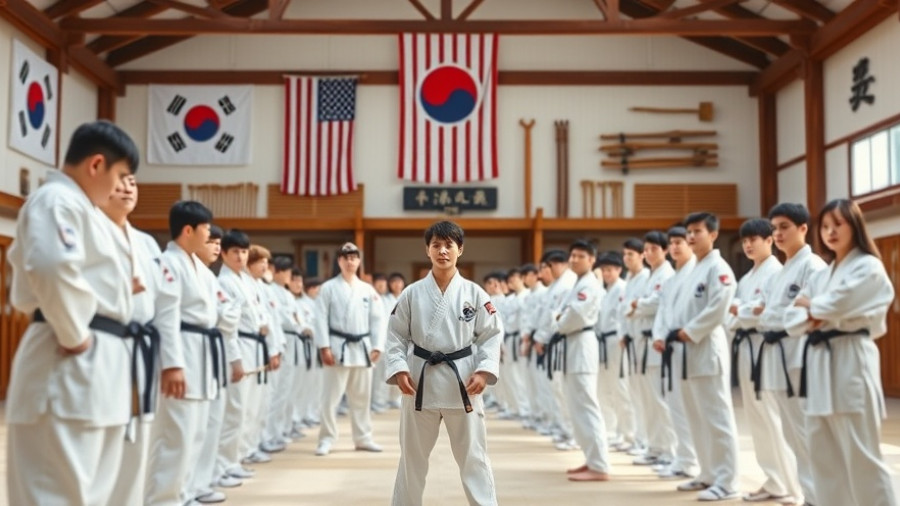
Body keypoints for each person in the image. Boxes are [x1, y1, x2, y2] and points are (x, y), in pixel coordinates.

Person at [7, 121, 140, 505]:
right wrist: (73, 334)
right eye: (120, 176)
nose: (120, 188)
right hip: (68, 356)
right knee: (55, 492)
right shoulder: (56, 200)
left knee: (90, 494)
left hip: (100, 362)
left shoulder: (85, 210)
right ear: (96, 164)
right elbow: (50, 266)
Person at [787, 199, 897, 506]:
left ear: (855, 226)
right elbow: (790, 318)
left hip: (851, 356)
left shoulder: (869, 267)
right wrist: (816, 311)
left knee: (861, 455)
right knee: (824, 455)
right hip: (820, 362)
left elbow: (838, 302)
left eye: (838, 224)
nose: (831, 231)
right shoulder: (823, 275)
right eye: (825, 226)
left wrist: (815, 308)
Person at [385, 220, 502, 506]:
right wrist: (398, 368)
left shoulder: (475, 294)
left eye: (449, 245)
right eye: (436, 245)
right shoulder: (411, 293)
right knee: (412, 458)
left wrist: (484, 371)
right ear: (427, 250)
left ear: (459, 249)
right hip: (419, 383)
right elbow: (395, 335)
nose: (442, 251)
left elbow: (492, 334)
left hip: (463, 382)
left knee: (474, 457)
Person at [102, 173, 177, 506]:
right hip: (101, 344)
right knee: (103, 441)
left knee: (139, 440)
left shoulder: (146, 243)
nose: (127, 188)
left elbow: (165, 303)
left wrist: (172, 362)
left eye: (133, 182)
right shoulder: (88, 228)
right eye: (119, 181)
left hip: (142, 349)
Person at [145, 201, 221, 506]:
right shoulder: (168, 262)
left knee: (196, 434)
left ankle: (185, 493)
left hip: (202, 354)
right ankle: (162, 500)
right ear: (188, 230)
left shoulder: (197, 267)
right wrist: (172, 365)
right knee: (175, 436)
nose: (209, 235)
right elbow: (166, 315)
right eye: (205, 229)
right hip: (183, 352)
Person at [756, 203, 826, 505]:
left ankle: (820, 497)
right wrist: (775, 317)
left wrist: (776, 318)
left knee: (808, 432)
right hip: (778, 355)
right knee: (792, 433)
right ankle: (806, 493)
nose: (778, 233)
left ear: (803, 228)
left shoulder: (814, 266)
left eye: (784, 226)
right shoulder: (781, 272)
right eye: (775, 228)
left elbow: (808, 312)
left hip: (800, 355)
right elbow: (764, 317)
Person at [670, 212, 741, 501]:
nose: (690, 236)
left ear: (712, 235)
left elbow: (719, 306)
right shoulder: (692, 269)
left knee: (717, 417)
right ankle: (708, 473)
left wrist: (691, 330)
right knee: (696, 417)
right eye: (689, 231)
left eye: (697, 231)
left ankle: (729, 480)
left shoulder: (719, 268)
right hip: (686, 350)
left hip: (707, 347)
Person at [726, 218, 795, 503]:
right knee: (756, 419)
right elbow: (735, 313)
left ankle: (793, 485)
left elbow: (763, 311)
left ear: (770, 241)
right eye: (745, 240)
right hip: (746, 346)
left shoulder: (777, 272)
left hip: (767, 345)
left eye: (755, 239)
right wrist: (746, 310)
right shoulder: (746, 278)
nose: (748, 245)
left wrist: (744, 311)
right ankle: (774, 479)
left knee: (773, 417)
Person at [535, 240, 610, 482]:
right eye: (573, 255)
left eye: (581, 256)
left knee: (586, 406)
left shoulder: (589, 284)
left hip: (581, 345)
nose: (575, 259)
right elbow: (563, 315)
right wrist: (560, 318)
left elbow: (573, 315)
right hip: (571, 346)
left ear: (592, 259)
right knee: (577, 408)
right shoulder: (577, 284)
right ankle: (591, 459)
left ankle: (599, 465)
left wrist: (558, 319)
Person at [314, 242, 385, 456]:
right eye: (346, 258)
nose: (350, 261)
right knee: (330, 399)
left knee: (362, 398)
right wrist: (324, 346)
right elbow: (319, 318)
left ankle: (363, 438)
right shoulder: (328, 288)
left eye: (354, 257)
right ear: (339, 261)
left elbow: (378, 320)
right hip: (337, 348)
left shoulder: (367, 290)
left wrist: (377, 345)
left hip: (362, 349)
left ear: (359, 261)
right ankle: (326, 438)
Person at [651, 226, 699, 481]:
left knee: (691, 409)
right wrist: (659, 335)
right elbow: (663, 312)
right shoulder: (672, 279)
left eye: (680, 242)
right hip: (670, 348)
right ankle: (683, 459)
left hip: (689, 346)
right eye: (672, 243)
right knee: (675, 406)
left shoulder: (695, 273)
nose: (676, 247)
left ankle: (690, 461)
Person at [627, 231, 675, 467]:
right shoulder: (650, 276)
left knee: (659, 399)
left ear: (664, 251)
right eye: (646, 249)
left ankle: (669, 450)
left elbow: (657, 302)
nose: (648, 253)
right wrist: (638, 305)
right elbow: (635, 306)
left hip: (656, 344)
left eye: (654, 249)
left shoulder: (667, 274)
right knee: (647, 399)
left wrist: (639, 305)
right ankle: (654, 446)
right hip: (641, 343)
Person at [593, 251, 636, 452]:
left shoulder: (622, 288)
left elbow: (624, 316)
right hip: (603, 341)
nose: (607, 273)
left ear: (619, 270)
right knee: (604, 390)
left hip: (616, 340)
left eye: (610, 270)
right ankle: (611, 431)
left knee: (620, 389)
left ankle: (629, 434)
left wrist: (623, 336)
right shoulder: (605, 290)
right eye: (604, 270)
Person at [618, 238, 649, 456]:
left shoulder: (647, 277)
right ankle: (638, 439)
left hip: (644, 341)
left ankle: (646, 441)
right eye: (625, 254)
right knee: (635, 393)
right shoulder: (628, 279)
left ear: (642, 256)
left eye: (631, 254)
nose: (627, 258)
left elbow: (639, 306)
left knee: (646, 396)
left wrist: (633, 308)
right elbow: (624, 310)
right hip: (632, 340)